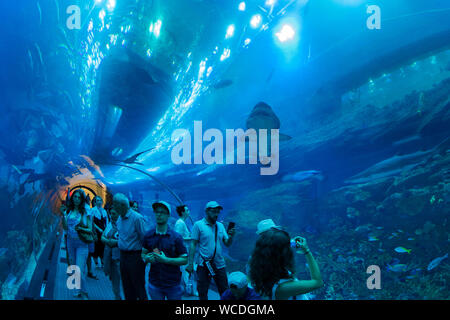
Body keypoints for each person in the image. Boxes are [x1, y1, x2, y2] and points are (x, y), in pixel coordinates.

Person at [248, 228, 323, 300]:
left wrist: (286, 243)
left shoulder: (261, 271)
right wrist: (306, 251)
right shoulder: (283, 288)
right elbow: (318, 282)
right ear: (284, 254)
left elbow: (272, 248)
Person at [186, 201, 236, 300]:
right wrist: (190, 263)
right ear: (207, 211)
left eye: (218, 212)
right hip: (203, 264)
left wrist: (230, 236)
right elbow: (193, 244)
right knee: (202, 292)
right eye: (214, 211)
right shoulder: (198, 225)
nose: (216, 214)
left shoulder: (220, 226)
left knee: (225, 291)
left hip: (219, 264)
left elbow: (227, 243)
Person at [141, 201, 188, 300]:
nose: (159, 214)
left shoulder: (176, 237)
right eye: (157, 212)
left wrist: (166, 260)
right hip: (155, 283)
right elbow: (143, 253)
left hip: (173, 284)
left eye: (162, 212)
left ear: (168, 216)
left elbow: (184, 260)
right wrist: (147, 258)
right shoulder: (149, 235)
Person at [61, 189, 93, 300]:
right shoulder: (68, 211)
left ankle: (84, 292)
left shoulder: (85, 211)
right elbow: (65, 228)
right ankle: (77, 290)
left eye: (79, 197)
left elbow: (90, 229)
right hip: (70, 242)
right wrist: (63, 216)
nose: (77, 199)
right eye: (75, 197)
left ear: (82, 199)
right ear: (72, 197)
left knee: (80, 268)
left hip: (81, 243)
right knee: (75, 268)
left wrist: (80, 227)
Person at [114, 193, 148, 300]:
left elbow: (145, 239)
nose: (114, 207)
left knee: (138, 287)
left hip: (135, 257)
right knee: (127, 287)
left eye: (115, 204)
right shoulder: (119, 218)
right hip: (123, 256)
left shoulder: (137, 218)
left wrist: (145, 257)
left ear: (123, 205)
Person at [101, 207, 122, 300]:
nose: (111, 216)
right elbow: (102, 237)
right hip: (110, 257)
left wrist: (115, 242)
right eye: (111, 213)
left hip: (120, 257)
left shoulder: (123, 225)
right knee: (114, 280)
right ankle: (117, 297)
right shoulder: (110, 224)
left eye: (114, 214)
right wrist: (109, 242)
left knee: (120, 280)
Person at [174, 205, 195, 295]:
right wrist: (190, 238)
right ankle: (188, 290)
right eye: (187, 210)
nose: (189, 211)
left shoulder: (182, 222)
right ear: (182, 212)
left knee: (185, 271)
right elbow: (178, 238)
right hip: (182, 251)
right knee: (185, 271)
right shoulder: (180, 223)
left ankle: (186, 289)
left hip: (185, 250)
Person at [91, 196, 108, 268]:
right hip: (96, 231)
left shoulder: (104, 211)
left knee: (103, 247)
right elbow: (91, 222)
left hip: (103, 231)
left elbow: (107, 221)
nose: (99, 202)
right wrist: (98, 229)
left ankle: (103, 262)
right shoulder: (92, 210)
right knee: (96, 247)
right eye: (97, 200)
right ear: (95, 202)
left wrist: (106, 230)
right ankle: (96, 263)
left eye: (100, 200)